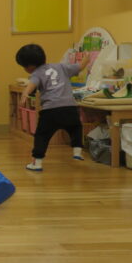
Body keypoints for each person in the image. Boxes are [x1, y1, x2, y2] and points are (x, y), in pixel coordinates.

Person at [15, 43, 90, 172]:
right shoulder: (61, 66)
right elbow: (80, 66)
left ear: (30, 66)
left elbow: (32, 83)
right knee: (76, 127)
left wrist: (26, 92)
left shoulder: (37, 73)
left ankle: (37, 163)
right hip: (69, 107)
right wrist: (87, 57)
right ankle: (77, 151)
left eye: (24, 67)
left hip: (50, 110)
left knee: (42, 136)